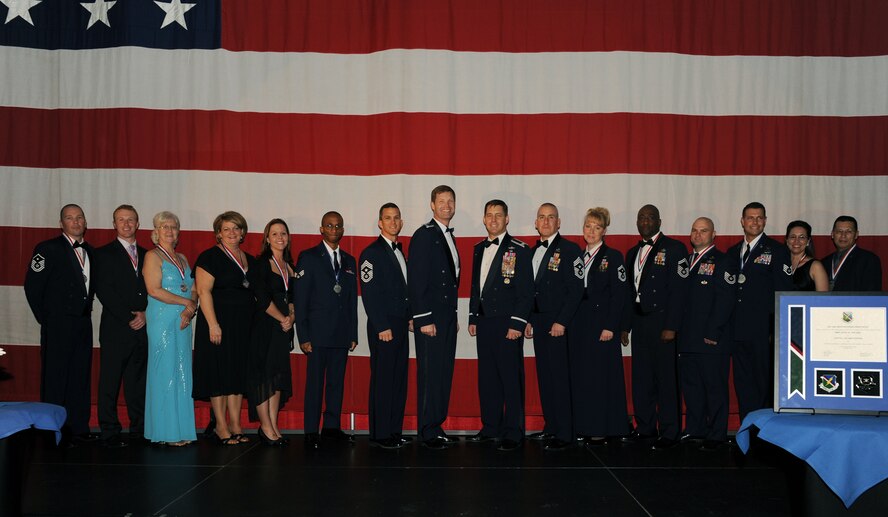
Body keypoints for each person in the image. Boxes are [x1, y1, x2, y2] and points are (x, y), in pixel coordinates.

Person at [24, 204, 98, 446]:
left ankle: (78, 427)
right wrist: (47, 318)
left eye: (79, 218)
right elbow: (33, 287)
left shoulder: (92, 252)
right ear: (61, 223)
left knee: (80, 376)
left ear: (85, 222)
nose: (75, 222)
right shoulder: (47, 249)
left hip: (82, 323)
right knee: (56, 377)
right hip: (57, 324)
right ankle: (52, 429)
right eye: (69, 218)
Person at [466, 200, 533, 452]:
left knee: (510, 378)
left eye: (498, 215)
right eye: (489, 215)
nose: (493, 219)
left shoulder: (520, 249)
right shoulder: (478, 249)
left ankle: (513, 431)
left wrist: (517, 323)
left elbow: (527, 292)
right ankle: (491, 426)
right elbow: (476, 286)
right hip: (484, 323)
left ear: (507, 219)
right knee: (488, 378)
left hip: (508, 324)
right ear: (484, 219)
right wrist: (473, 316)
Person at [621, 204, 687, 450]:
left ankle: (670, 432)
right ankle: (646, 427)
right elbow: (629, 294)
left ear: (659, 221)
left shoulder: (675, 248)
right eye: (641, 217)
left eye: (650, 217)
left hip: (662, 322)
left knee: (666, 380)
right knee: (642, 378)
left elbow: (679, 292)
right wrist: (625, 327)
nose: (645, 221)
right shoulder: (631, 253)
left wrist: (672, 326)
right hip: (639, 322)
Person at [294, 211, 358, 450]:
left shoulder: (349, 260)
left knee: (336, 383)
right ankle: (311, 430)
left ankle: (331, 427)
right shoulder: (308, 257)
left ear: (342, 230)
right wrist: (304, 335)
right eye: (329, 225)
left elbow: (351, 301)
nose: (334, 229)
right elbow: (300, 300)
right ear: (322, 229)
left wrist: (353, 333)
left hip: (341, 333)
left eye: (338, 225)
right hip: (317, 334)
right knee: (314, 384)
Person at [193, 211, 256, 446]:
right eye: (226, 229)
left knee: (237, 374)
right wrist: (213, 324)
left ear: (243, 232)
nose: (232, 233)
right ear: (218, 233)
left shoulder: (249, 258)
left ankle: (236, 424)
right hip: (217, 323)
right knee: (218, 374)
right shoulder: (209, 257)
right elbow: (203, 291)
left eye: (236, 228)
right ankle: (221, 425)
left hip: (242, 326)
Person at [524, 203, 583, 451]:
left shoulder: (570, 250)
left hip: (558, 323)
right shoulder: (529, 251)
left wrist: (562, 321)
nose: (546, 221)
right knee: (545, 376)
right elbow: (527, 290)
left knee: (560, 377)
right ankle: (551, 426)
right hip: (538, 321)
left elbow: (576, 289)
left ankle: (566, 432)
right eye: (541, 217)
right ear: (536, 223)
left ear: (559, 222)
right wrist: (527, 318)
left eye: (551, 217)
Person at [570, 208, 630, 449]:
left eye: (597, 227)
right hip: (580, 326)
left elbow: (620, 296)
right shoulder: (577, 257)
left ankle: (602, 428)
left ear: (605, 230)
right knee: (583, 377)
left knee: (601, 379)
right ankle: (584, 425)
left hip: (602, 327)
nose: (591, 231)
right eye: (588, 226)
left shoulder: (613, 257)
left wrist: (611, 326)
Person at [727, 202, 793, 421]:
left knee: (763, 382)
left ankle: (765, 431)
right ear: (742, 221)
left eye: (759, 218)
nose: (754, 222)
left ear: (765, 221)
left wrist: (777, 328)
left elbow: (784, 291)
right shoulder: (733, 251)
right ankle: (748, 426)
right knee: (743, 382)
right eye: (750, 218)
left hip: (763, 330)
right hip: (737, 329)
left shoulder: (777, 250)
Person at [408, 185, 462, 449]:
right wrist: (423, 318)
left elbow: (450, 283)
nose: (447, 206)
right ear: (432, 205)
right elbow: (416, 280)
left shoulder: (446, 235)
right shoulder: (424, 235)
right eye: (441, 201)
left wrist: (452, 315)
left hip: (447, 317)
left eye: (450, 201)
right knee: (430, 374)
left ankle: (436, 425)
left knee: (443, 372)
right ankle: (428, 429)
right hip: (430, 318)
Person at [677, 218, 736, 451]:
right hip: (687, 337)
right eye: (694, 230)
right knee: (692, 387)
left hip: (711, 338)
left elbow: (725, 300)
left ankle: (717, 433)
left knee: (714, 388)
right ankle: (695, 428)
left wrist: (713, 331)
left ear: (714, 235)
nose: (698, 235)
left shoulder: (723, 261)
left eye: (704, 231)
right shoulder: (686, 262)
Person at [93, 205, 148, 448]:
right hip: (116, 328)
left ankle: (139, 428)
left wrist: (145, 314)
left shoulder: (149, 255)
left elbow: (154, 290)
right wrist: (128, 316)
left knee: (138, 383)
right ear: (114, 224)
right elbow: (104, 290)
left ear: (138, 224)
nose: (126, 224)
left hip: (143, 328)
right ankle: (109, 430)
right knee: (110, 382)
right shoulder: (102, 254)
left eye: (131, 220)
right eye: (121, 220)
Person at [143, 211, 198, 447]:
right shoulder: (152, 257)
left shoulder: (183, 258)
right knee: (164, 372)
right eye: (164, 226)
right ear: (156, 231)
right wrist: (186, 302)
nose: (169, 230)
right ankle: (166, 432)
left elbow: (193, 288)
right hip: (162, 319)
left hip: (183, 320)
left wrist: (190, 306)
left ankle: (182, 429)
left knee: (183, 372)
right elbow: (154, 290)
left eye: (173, 226)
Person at [359, 203, 411, 450]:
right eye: (387, 218)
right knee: (383, 379)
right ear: (380, 222)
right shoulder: (371, 253)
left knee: (399, 378)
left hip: (401, 324)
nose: (392, 222)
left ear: (401, 222)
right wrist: (381, 325)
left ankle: (394, 430)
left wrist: (410, 317)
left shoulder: (401, 252)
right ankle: (381, 433)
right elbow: (370, 293)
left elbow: (404, 292)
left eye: (396, 218)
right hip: (385, 326)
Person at [246, 219, 295, 447]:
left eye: (283, 233)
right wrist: (282, 318)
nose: (279, 237)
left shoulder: (289, 265)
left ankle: (274, 425)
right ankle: (265, 427)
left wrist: (291, 318)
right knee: (262, 377)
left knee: (277, 378)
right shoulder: (261, 264)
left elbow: (294, 299)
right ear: (267, 238)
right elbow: (262, 299)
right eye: (274, 234)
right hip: (265, 327)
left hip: (283, 329)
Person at [822, 215, 883, 291]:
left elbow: (871, 295)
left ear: (856, 235)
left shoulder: (869, 260)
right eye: (839, 231)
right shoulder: (824, 262)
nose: (843, 235)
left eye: (849, 231)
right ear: (832, 234)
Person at [784, 221, 829, 292]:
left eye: (801, 237)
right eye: (793, 237)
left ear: (808, 241)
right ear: (787, 240)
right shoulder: (779, 263)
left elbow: (824, 300)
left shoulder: (816, 266)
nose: (796, 241)